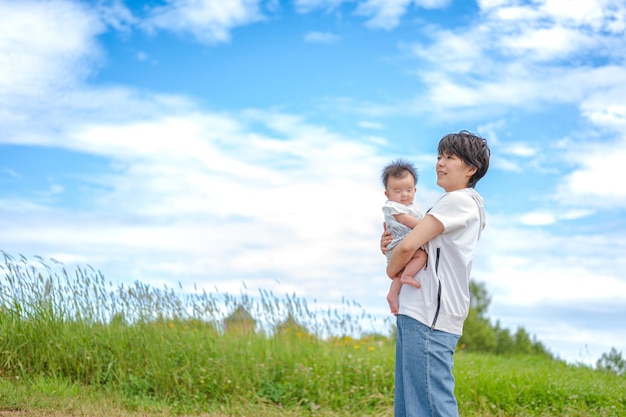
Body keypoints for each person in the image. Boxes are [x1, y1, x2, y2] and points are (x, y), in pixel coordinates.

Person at [382, 130, 490, 417]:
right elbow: (410, 244)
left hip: (429, 316)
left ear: (470, 169)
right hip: (418, 311)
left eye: (450, 157)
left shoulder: (461, 201)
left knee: (429, 406)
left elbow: (408, 246)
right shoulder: (450, 204)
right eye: (439, 156)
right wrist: (390, 249)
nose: (440, 163)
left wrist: (390, 266)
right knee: (411, 408)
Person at [381, 159, 428, 316]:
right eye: (398, 191)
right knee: (421, 255)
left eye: (408, 190)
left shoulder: (411, 208)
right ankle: (408, 276)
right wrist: (426, 226)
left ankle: (392, 294)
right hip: (398, 243)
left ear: (415, 190)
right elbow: (406, 221)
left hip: (399, 244)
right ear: (387, 194)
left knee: (399, 273)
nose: (404, 195)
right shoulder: (394, 207)